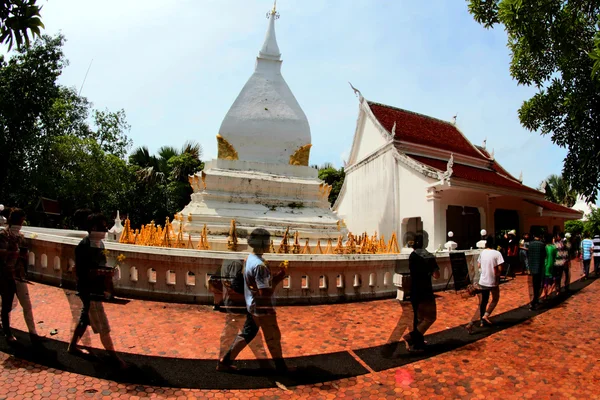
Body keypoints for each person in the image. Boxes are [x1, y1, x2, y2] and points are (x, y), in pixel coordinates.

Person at [218, 228, 289, 372]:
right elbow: (264, 293)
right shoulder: (261, 266)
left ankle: (224, 362)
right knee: (273, 338)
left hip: (252, 305)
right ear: (263, 243)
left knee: (247, 334)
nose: (270, 244)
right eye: (268, 241)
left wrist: (275, 277)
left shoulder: (249, 259)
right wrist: (277, 281)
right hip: (262, 308)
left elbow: (256, 284)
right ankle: (282, 368)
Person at [67, 213, 125, 368]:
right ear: (93, 228)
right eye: (103, 227)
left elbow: (101, 264)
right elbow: (80, 271)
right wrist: (98, 273)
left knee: (85, 318)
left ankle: (72, 346)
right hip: (89, 289)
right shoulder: (84, 246)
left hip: (95, 288)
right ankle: (114, 357)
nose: (106, 230)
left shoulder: (99, 244)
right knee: (101, 322)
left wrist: (108, 273)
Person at [0, 208, 43, 343]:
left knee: (26, 304)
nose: (22, 223)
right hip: (6, 276)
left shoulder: (21, 237)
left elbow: (23, 258)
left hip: (19, 276)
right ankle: (7, 332)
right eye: (21, 220)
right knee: (7, 305)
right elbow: (2, 256)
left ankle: (33, 333)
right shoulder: (4, 235)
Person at [217, 258, 269, 369]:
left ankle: (224, 361)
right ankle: (225, 361)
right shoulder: (241, 270)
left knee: (244, 334)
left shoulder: (246, 271)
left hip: (243, 308)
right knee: (247, 335)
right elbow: (233, 291)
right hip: (240, 310)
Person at [403, 231, 440, 351]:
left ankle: (418, 343)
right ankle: (411, 337)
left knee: (419, 319)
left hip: (414, 290)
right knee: (430, 318)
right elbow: (436, 275)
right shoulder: (428, 256)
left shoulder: (412, 256)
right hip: (426, 291)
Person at [466, 236, 503, 334]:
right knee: (495, 299)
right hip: (493, 281)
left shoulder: (482, 253)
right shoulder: (497, 253)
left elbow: (478, 265)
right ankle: (486, 315)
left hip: (483, 281)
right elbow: (499, 269)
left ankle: (473, 323)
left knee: (483, 302)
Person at [527, 232, 546, 310]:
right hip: (540, 267)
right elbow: (544, 255)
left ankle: (535, 299)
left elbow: (529, 255)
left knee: (534, 284)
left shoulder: (530, 244)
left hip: (532, 266)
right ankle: (535, 300)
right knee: (538, 285)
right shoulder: (542, 244)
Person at [543, 234, 557, 298]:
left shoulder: (544, 247)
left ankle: (545, 295)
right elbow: (556, 257)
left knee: (545, 282)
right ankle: (550, 291)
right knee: (553, 280)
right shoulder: (553, 247)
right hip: (552, 266)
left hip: (545, 266)